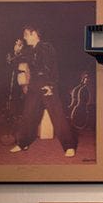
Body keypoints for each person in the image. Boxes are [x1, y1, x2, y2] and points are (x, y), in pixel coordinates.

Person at [8, 25, 76, 157]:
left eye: (26, 34)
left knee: (57, 116)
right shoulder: (28, 50)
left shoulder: (47, 47)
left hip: (47, 85)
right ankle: (23, 143)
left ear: (34, 34)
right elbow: (13, 62)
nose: (24, 37)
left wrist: (50, 85)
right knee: (28, 115)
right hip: (34, 86)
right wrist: (16, 51)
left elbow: (54, 67)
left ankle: (69, 146)